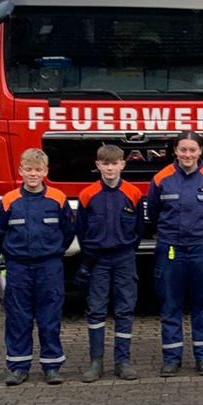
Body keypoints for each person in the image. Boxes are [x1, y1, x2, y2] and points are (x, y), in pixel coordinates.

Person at [146, 131, 203, 377]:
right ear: (175, 152)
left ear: (200, 151)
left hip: (202, 248)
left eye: (192, 150)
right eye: (183, 150)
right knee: (171, 305)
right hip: (171, 249)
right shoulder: (161, 179)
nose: (187, 154)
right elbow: (154, 211)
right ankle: (171, 359)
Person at [0, 148, 76, 385]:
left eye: (37, 170)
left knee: (50, 317)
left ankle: (52, 366)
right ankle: (18, 367)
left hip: (49, 266)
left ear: (45, 172)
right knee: (18, 318)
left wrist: (54, 250)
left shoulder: (58, 199)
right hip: (18, 267)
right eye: (28, 169)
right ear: (20, 171)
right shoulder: (9, 201)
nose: (33, 174)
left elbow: (68, 231)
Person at [75, 144, 144, 383]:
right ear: (98, 165)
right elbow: (81, 230)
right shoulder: (88, 194)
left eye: (114, 163)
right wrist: (90, 256)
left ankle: (122, 362)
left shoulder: (133, 193)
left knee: (125, 309)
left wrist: (126, 248)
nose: (110, 168)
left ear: (123, 165)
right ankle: (96, 362)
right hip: (97, 260)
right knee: (96, 310)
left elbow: (138, 230)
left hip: (124, 258)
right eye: (105, 164)